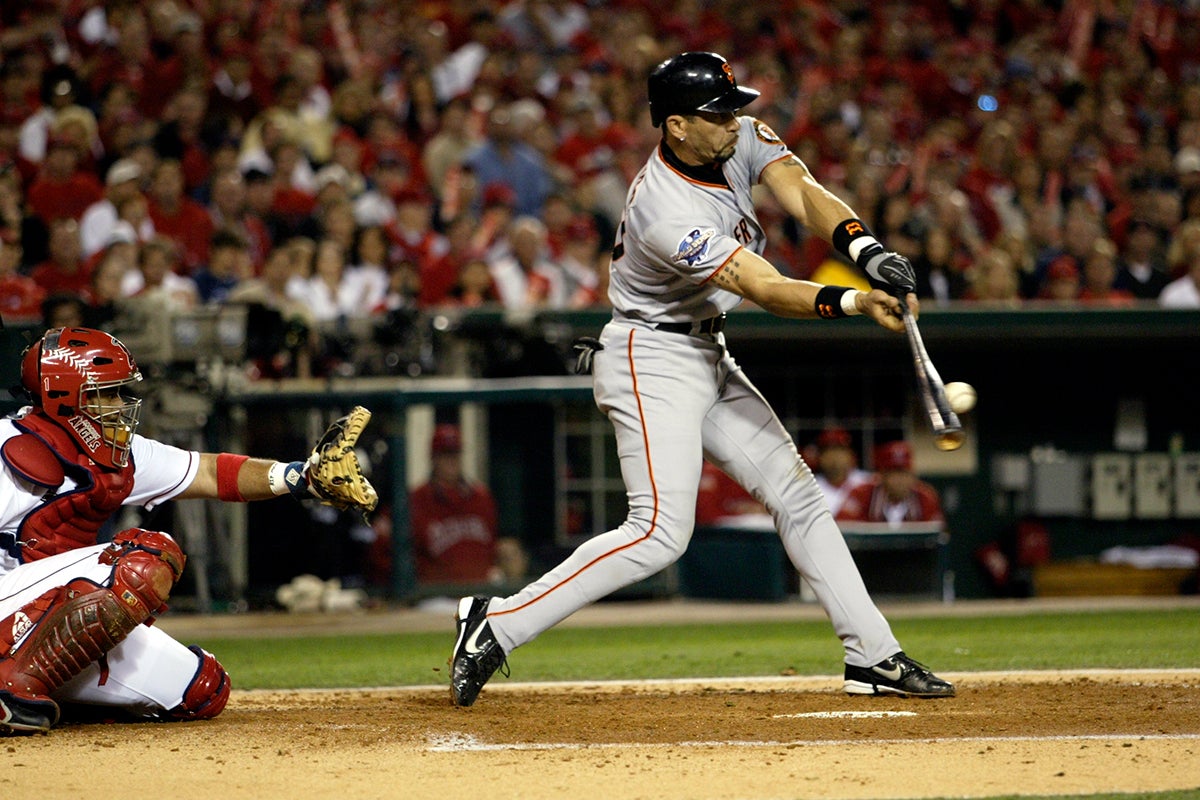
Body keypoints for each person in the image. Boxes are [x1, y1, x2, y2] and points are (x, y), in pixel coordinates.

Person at [448, 51, 955, 707]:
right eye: (717, 114)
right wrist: (852, 300)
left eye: (731, 107)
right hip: (650, 357)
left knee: (797, 495)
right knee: (658, 531)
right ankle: (496, 623)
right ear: (676, 126)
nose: (733, 122)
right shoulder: (666, 209)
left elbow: (799, 187)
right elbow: (764, 287)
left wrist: (864, 250)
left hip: (706, 351)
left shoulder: (734, 136)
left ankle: (874, 655)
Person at [0, 327, 376, 735]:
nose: (119, 405)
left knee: (202, 689)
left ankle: (40, 686)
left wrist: (301, 477)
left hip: (36, 625)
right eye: (105, 394)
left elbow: (212, 472)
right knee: (139, 562)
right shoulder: (7, 447)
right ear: (64, 396)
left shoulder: (117, 454)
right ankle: (8, 688)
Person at [407, 424, 526, 586]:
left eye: (455, 453)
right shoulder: (417, 499)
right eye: (445, 454)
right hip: (436, 598)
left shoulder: (481, 497)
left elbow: (495, 543)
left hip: (481, 591)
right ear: (433, 457)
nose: (452, 460)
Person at [837, 441, 944, 528]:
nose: (899, 480)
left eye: (903, 473)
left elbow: (938, 536)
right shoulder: (862, 494)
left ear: (912, 475)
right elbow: (843, 529)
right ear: (881, 475)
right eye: (893, 473)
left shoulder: (925, 498)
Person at [812, 427, 872, 516]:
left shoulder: (868, 482)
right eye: (828, 451)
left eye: (840, 450)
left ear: (851, 454)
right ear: (819, 457)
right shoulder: (810, 488)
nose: (834, 457)